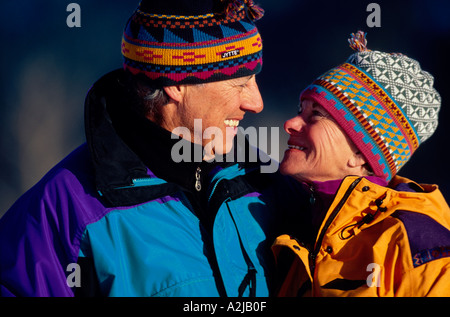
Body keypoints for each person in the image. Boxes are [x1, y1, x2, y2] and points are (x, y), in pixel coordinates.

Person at [0, 0, 301, 297]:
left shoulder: (266, 183)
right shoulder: (64, 213)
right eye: (239, 84)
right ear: (177, 83)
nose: (256, 103)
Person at [272, 31, 450, 297]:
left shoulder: (417, 244)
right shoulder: (291, 214)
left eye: (316, 115)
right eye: (300, 111)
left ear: (361, 155)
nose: (291, 124)